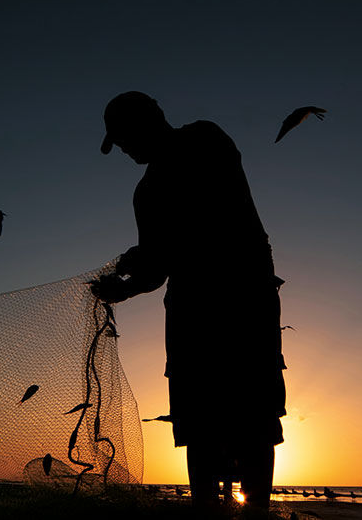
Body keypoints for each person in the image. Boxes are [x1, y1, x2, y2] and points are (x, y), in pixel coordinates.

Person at [90, 91, 285, 510]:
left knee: (252, 420)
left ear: (151, 118)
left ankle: (255, 514)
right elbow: (157, 270)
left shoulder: (205, 139)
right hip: (190, 312)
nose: (122, 149)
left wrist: (146, 256)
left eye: (123, 137)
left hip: (242, 301)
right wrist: (123, 286)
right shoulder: (144, 192)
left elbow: (205, 220)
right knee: (199, 427)